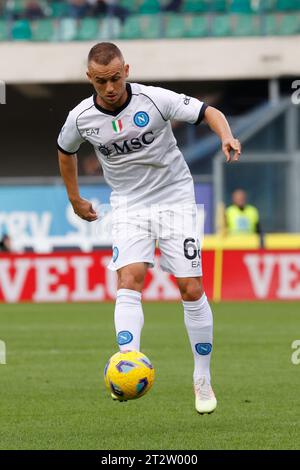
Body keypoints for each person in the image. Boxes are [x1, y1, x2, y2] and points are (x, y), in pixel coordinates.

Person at [57, 42, 241, 414]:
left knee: (190, 288)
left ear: (126, 70)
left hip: (175, 197)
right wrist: (75, 198)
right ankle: (127, 365)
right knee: (130, 278)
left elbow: (210, 111)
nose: (109, 88)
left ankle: (202, 377)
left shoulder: (155, 100)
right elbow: (65, 150)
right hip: (128, 203)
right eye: (100, 81)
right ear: (89, 78)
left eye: (114, 78)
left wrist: (226, 135)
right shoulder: (80, 118)